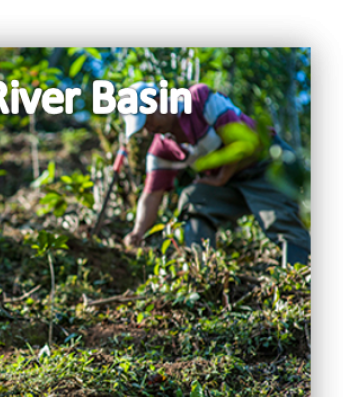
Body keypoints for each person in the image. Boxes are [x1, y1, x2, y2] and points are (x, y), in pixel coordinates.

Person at [121, 82, 311, 266]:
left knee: (281, 222)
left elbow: (240, 144)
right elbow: (152, 193)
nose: (148, 129)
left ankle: (299, 285)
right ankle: (204, 273)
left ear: (159, 100)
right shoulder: (162, 147)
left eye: (146, 119)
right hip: (230, 182)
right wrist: (137, 232)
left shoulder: (199, 100)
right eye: (142, 126)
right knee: (194, 201)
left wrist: (221, 178)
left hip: (265, 165)